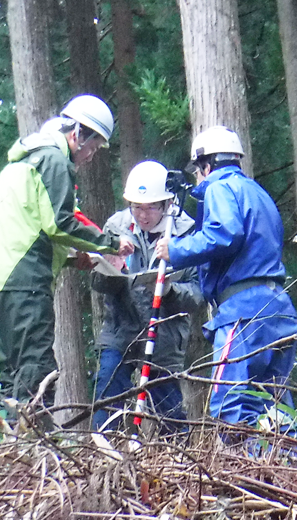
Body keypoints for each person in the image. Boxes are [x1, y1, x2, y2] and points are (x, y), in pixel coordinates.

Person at [0, 94, 134, 405]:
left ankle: (9, 448)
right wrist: (110, 244)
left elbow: (28, 227)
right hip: (23, 284)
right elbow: (60, 222)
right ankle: (35, 448)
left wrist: (72, 258)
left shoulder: (21, 163)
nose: (91, 156)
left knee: (5, 376)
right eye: (93, 147)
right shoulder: (54, 161)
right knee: (37, 372)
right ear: (78, 134)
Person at [154, 126, 297, 430]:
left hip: (244, 311)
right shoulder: (259, 193)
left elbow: (224, 234)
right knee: (274, 407)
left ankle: (243, 474)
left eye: (198, 170)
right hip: (277, 308)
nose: (197, 177)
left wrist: (176, 250)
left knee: (230, 404)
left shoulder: (219, 188)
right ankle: (293, 470)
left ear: (205, 165)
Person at [90, 161, 203, 431]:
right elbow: (96, 281)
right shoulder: (116, 226)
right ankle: (104, 454)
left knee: (169, 409)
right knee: (107, 391)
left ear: (166, 203)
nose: (142, 215)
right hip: (120, 328)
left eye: (151, 207)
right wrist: (110, 270)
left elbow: (199, 293)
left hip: (165, 334)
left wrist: (169, 291)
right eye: (137, 207)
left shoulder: (187, 232)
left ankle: (177, 463)